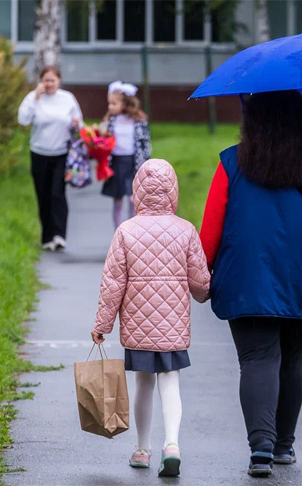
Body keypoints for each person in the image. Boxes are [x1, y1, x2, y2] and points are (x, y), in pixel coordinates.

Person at [199, 90, 302, 478]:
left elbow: (212, 227)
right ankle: (284, 446)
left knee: (256, 359)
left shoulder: (232, 161)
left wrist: (201, 271)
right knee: (291, 359)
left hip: (245, 275)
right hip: (301, 274)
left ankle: (261, 451)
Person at [91, 158, 210, 477]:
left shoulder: (126, 231)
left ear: (137, 192)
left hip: (139, 326)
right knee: (170, 383)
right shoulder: (186, 230)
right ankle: (172, 444)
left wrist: (103, 324)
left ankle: (142, 449)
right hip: (172, 326)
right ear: (173, 192)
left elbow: (113, 283)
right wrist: (204, 293)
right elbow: (200, 283)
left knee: (143, 383)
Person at [18, 66, 83, 251]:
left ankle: (59, 234)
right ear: (40, 81)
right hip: (39, 153)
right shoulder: (33, 98)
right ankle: (47, 237)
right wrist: (35, 98)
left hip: (61, 153)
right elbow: (23, 120)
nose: (49, 84)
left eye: (52, 80)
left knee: (57, 193)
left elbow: (79, 123)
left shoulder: (67, 99)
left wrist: (77, 125)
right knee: (43, 195)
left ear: (59, 81)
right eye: (45, 80)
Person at [101, 81, 152, 229]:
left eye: (114, 103)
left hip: (133, 162)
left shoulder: (138, 121)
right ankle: (118, 232)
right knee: (117, 199)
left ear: (124, 103)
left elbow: (145, 143)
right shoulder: (110, 121)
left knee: (132, 199)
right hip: (116, 162)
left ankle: (131, 230)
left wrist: (146, 163)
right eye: (109, 104)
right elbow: (103, 140)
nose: (110, 107)